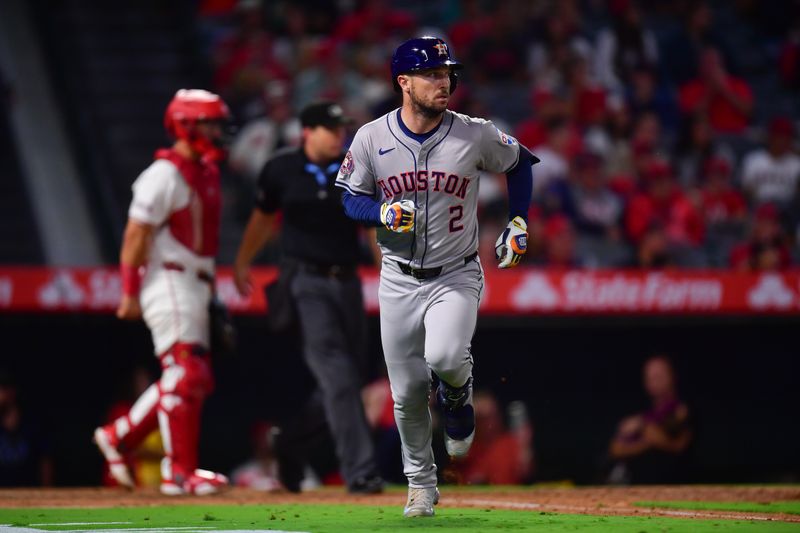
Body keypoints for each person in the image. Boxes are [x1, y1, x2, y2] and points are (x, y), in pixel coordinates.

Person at [335, 36, 537, 517]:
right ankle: (421, 484)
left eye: (447, 73)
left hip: (456, 272)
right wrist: (382, 212)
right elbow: (348, 197)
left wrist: (518, 219)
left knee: (445, 354)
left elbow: (521, 163)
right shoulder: (370, 137)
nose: (443, 82)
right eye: (431, 74)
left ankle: (457, 392)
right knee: (404, 393)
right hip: (399, 277)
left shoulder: (474, 132)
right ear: (403, 82)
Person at [233, 100, 384, 495]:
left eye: (341, 129)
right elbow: (263, 217)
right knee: (336, 372)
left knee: (347, 380)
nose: (339, 136)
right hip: (304, 282)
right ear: (307, 132)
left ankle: (289, 443)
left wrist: (386, 268)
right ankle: (360, 471)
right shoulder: (280, 168)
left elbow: (370, 222)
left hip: (348, 281)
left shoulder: (356, 167)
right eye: (331, 129)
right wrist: (243, 261)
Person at [93, 89, 231, 496]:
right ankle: (178, 473)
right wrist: (129, 292)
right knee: (186, 372)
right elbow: (135, 235)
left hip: (196, 281)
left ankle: (119, 437)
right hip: (167, 277)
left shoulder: (204, 169)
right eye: (210, 122)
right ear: (186, 124)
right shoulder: (163, 174)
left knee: (195, 378)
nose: (218, 130)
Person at [607, 355, 692, 484]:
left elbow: (678, 445)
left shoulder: (682, 409)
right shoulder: (645, 413)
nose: (654, 380)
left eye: (659, 374)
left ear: (673, 376)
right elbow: (615, 448)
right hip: (633, 485)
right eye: (650, 376)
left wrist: (643, 428)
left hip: (670, 483)